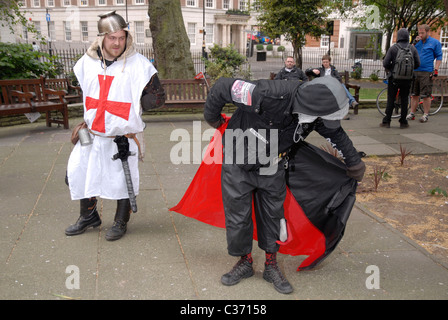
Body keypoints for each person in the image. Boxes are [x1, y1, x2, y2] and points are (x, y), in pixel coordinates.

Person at [197, 76, 365, 294]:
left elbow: (336, 133)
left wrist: (354, 163)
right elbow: (222, 86)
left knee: (273, 215)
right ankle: (245, 262)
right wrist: (214, 120)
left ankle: (270, 264)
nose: (322, 122)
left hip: (272, 163)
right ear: (310, 107)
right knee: (238, 215)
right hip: (237, 159)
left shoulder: (315, 114)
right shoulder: (266, 93)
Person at [65, 11, 165, 241]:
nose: (117, 43)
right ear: (102, 38)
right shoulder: (87, 62)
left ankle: (121, 220)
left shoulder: (138, 65)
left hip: (123, 136)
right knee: (83, 172)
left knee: (122, 179)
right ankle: (88, 216)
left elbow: (157, 98)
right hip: (92, 133)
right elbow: (81, 86)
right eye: (112, 38)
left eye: (121, 37)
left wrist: (148, 97)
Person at [381, 28, 420, 128]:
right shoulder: (412, 48)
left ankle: (387, 121)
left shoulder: (394, 48)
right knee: (404, 100)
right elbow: (418, 64)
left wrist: (392, 69)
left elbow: (385, 63)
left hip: (394, 78)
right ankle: (403, 122)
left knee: (391, 99)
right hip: (407, 79)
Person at [407, 24, 442, 123]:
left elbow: (439, 57)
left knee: (426, 95)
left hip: (426, 72)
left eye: (422, 33)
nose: (420, 35)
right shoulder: (417, 42)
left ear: (428, 32)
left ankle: (425, 114)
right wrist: (414, 43)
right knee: (414, 94)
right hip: (415, 71)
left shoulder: (435, 43)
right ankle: (412, 113)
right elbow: (409, 51)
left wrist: (436, 69)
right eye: (419, 32)